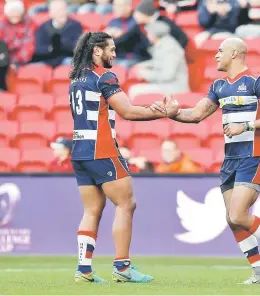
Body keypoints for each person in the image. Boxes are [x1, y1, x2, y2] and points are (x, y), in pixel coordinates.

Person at [151, 37, 260, 284]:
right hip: (231, 159)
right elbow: (196, 115)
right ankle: (259, 271)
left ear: (236, 53)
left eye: (220, 51)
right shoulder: (218, 86)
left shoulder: (257, 81)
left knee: (238, 215)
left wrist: (246, 125)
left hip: (253, 155)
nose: (216, 55)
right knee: (232, 218)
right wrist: (172, 114)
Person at [69, 32, 179, 283]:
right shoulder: (104, 76)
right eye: (111, 49)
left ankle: (84, 270)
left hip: (80, 150)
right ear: (97, 51)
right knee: (126, 203)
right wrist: (161, 113)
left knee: (92, 209)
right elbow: (127, 111)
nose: (115, 54)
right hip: (102, 149)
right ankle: (122, 267)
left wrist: (149, 110)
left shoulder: (76, 78)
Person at [129, 20, 190, 98]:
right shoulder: (163, 44)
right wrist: (142, 65)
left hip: (175, 88)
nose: (147, 36)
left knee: (134, 90)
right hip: (165, 85)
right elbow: (157, 62)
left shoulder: (170, 49)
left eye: (148, 33)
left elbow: (167, 75)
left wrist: (146, 74)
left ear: (154, 35)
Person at [33, 0, 83, 67]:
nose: (62, 13)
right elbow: (38, 49)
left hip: (66, 59)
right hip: (46, 60)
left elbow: (75, 46)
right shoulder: (43, 27)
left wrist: (59, 46)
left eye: (63, 9)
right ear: (51, 13)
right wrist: (50, 48)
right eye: (58, 11)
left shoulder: (75, 25)